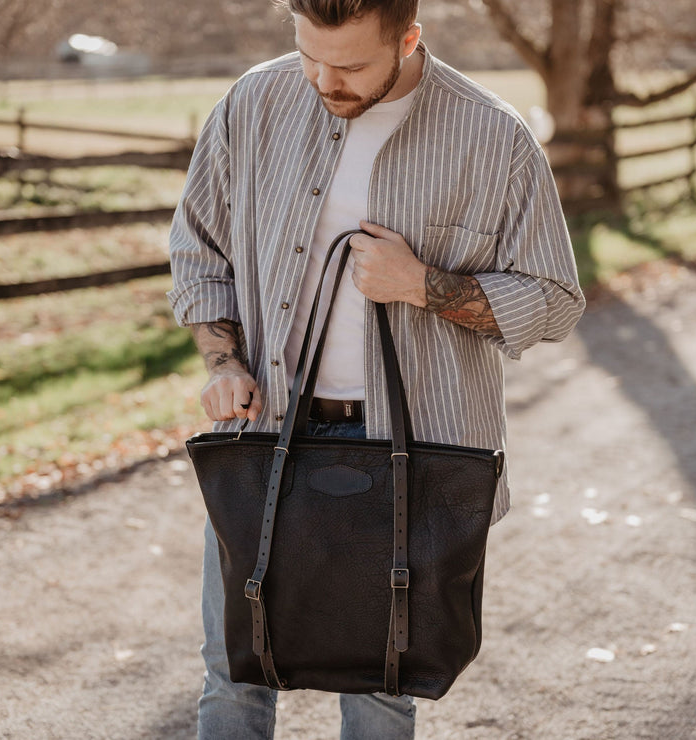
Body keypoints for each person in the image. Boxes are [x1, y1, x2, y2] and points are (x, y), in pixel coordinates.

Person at [168, 1, 585, 737]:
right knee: (233, 672)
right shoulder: (253, 102)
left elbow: (554, 301)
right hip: (266, 438)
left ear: (410, 40)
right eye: (309, 56)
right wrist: (224, 361)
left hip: (412, 451)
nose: (324, 81)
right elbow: (200, 251)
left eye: (352, 65)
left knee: (382, 682)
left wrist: (423, 285)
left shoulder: (495, 138)